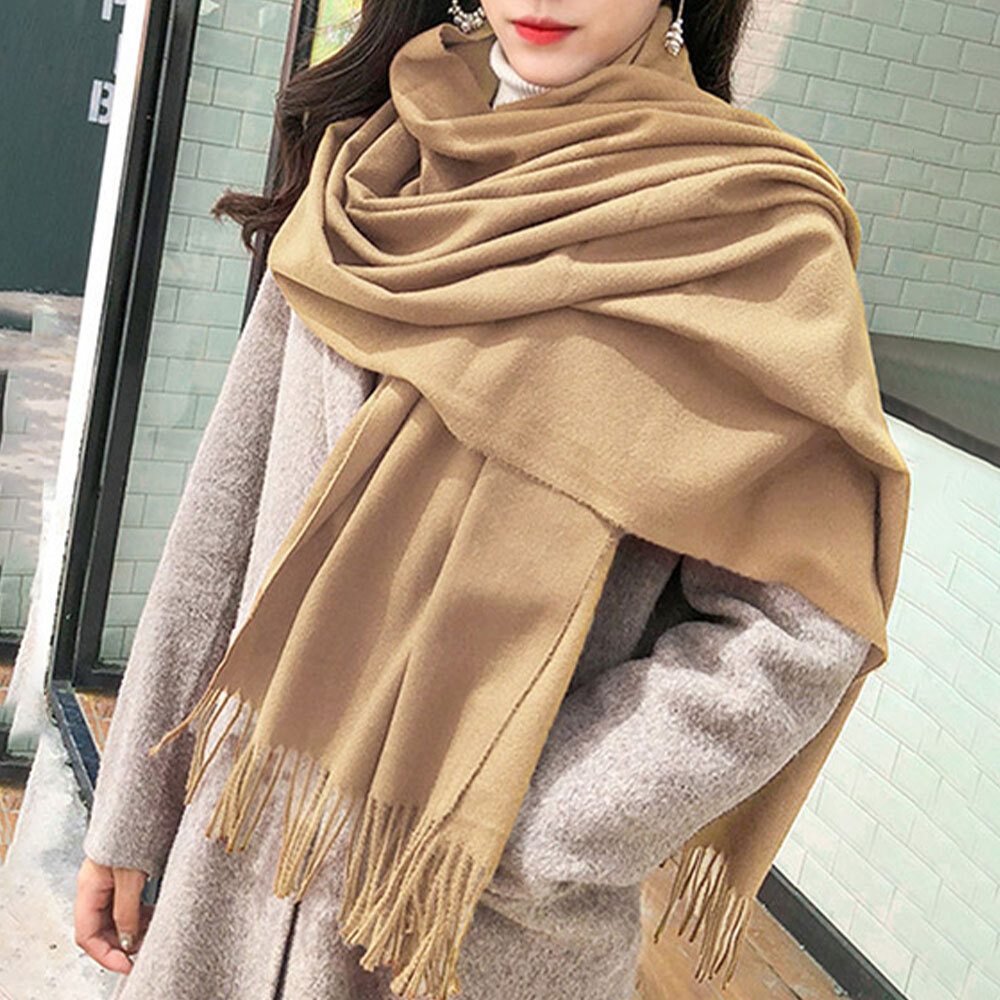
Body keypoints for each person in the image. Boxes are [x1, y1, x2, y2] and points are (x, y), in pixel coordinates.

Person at [74, 2, 909, 999]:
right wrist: (133, 806)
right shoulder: (373, 167)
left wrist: (523, 831)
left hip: (468, 937)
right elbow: (233, 495)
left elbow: (802, 623)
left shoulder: (748, 233)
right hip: (237, 861)